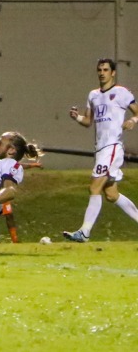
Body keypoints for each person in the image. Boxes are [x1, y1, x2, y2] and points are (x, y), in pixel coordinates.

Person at [63, 58, 138, 242]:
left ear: (113, 73)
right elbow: (89, 122)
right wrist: (77, 117)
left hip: (112, 147)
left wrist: (132, 120)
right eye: (99, 70)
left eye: (105, 69)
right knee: (111, 195)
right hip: (100, 149)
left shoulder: (121, 93)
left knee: (94, 186)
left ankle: (85, 232)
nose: (102, 73)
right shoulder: (93, 95)